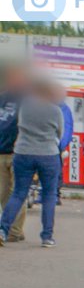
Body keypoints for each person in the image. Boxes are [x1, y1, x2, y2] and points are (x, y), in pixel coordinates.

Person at [0, 77, 66, 247]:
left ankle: (3, 230)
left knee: (18, 193)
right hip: (48, 154)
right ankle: (47, 237)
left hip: (23, 152)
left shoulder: (25, 107)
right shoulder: (55, 110)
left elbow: (20, 125)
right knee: (49, 195)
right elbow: (59, 133)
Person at [0, 65, 30, 243]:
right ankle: (9, 226)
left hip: (19, 153)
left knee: (17, 192)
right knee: (3, 193)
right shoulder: (2, 97)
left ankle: (15, 230)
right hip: (1, 152)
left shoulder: (29, 100)